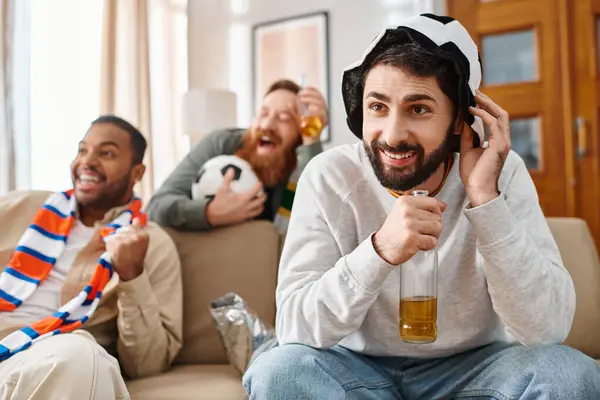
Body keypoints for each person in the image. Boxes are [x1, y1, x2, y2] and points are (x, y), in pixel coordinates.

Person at [243, 14, 600, 399]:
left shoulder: (501, 173)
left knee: (569, 374)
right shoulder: (329, 176)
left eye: (419, 109)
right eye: (378, 107)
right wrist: (377, 251)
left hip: (473, 370)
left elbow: (547, 328)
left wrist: (485, 201)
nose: (393, 135)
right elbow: (295, 325)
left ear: (461, 121)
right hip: (354, 372)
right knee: (277, 372)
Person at [0, 115, 182, 399]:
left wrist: (132, 275)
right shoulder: (20, 206)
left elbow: (148, 363)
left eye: (106, 153)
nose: (88, 161)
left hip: (43, 356)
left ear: (137, 173)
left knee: (80, 356)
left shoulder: (151, 243)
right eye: (83, 150)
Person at [147, 79, 327, 233]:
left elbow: (318, 221)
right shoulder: (221, 143)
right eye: (263, 113)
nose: (267, 124)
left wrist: (312, 141)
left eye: (284, 118)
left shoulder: (302, 163)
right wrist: (209, 213)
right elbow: (156, 208)